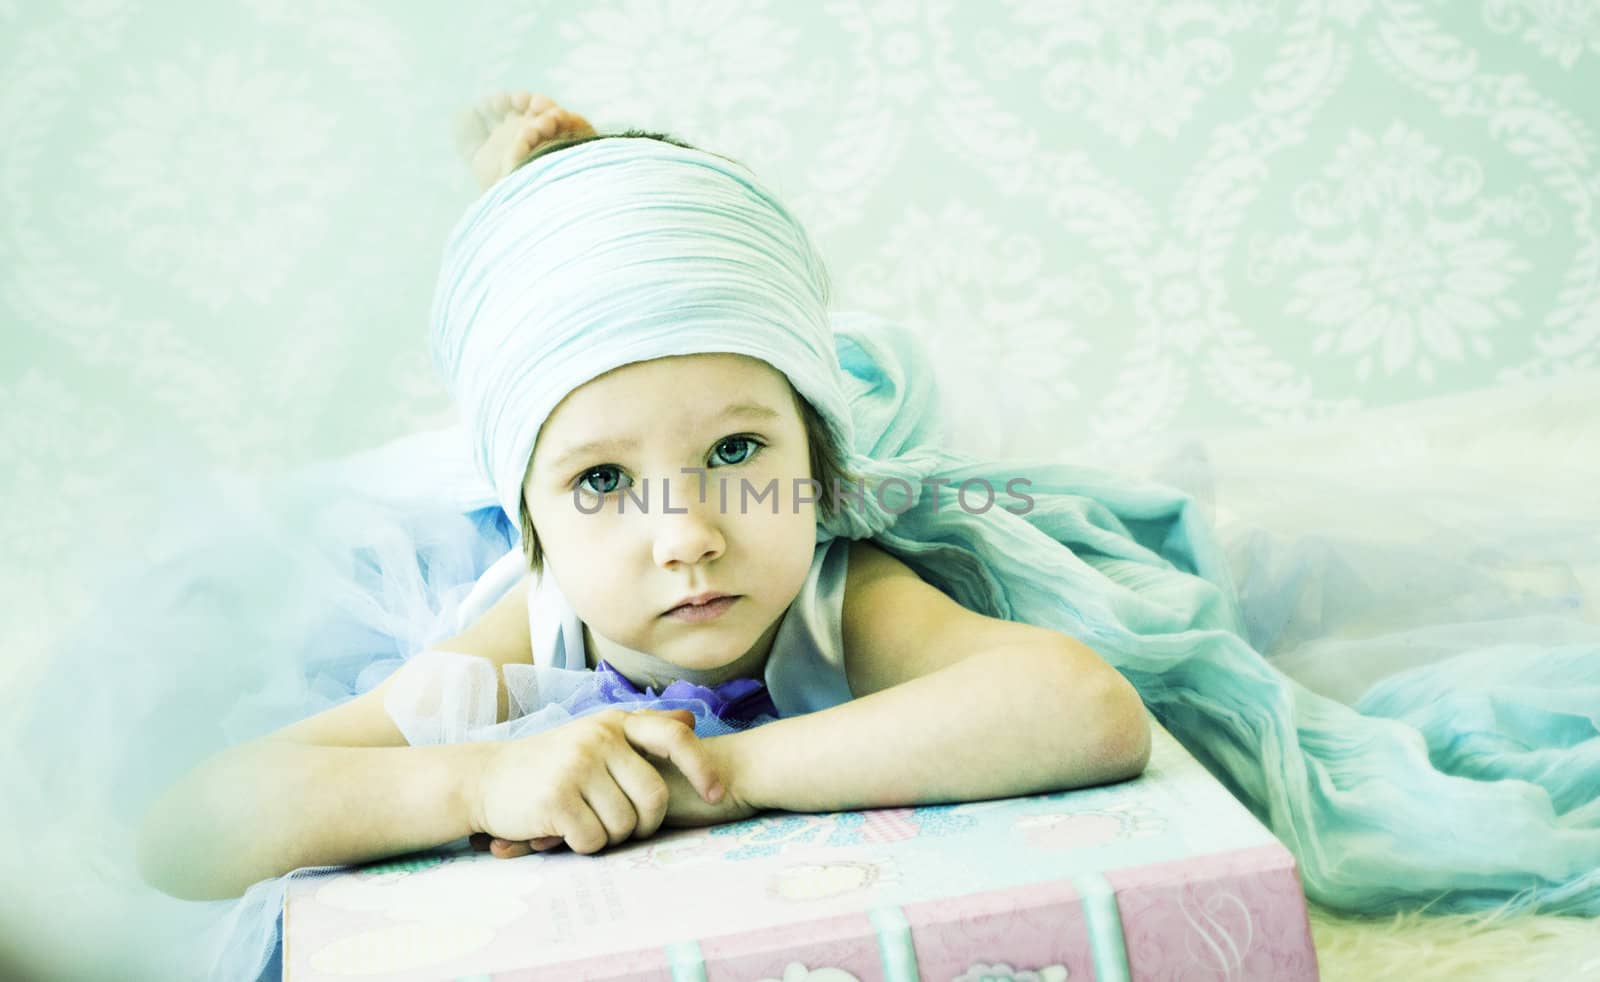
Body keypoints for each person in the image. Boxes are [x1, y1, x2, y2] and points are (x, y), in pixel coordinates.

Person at [18, 90, 1600, 981]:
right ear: (528, 523)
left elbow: (1081, 706)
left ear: (817, 457)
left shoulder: (832, 570)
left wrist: (726, 770)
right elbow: (190, 822)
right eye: (602, 489)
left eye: (737, 451)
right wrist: (473, 772)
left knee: (1245, 582)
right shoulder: (535, 617)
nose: (689, 534)